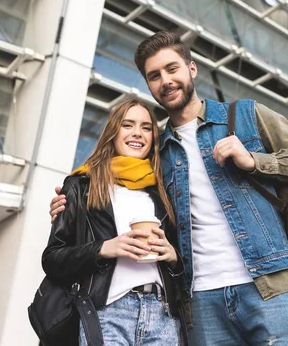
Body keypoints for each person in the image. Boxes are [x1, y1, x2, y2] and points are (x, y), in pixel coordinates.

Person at [50, 31, 288, 345]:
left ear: (191, 69)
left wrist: (254, 161)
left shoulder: (247, 116)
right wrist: (69, 200)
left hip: (270, 286)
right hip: (200, 300)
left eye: (172, 69)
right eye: (154, 76)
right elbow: (116, 182)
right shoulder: (157, 153)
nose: (166, 81)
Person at [42, 98, 186, 346]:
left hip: (162, 315)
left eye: (145, 127)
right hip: (106, 312)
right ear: (113, 132)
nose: (137, 133)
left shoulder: (164, 190)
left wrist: (173, 257)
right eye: (127, 125)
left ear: (153, 136)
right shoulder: (81, 186)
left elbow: (184, 266)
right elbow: (52, 259)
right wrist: (104, 248)